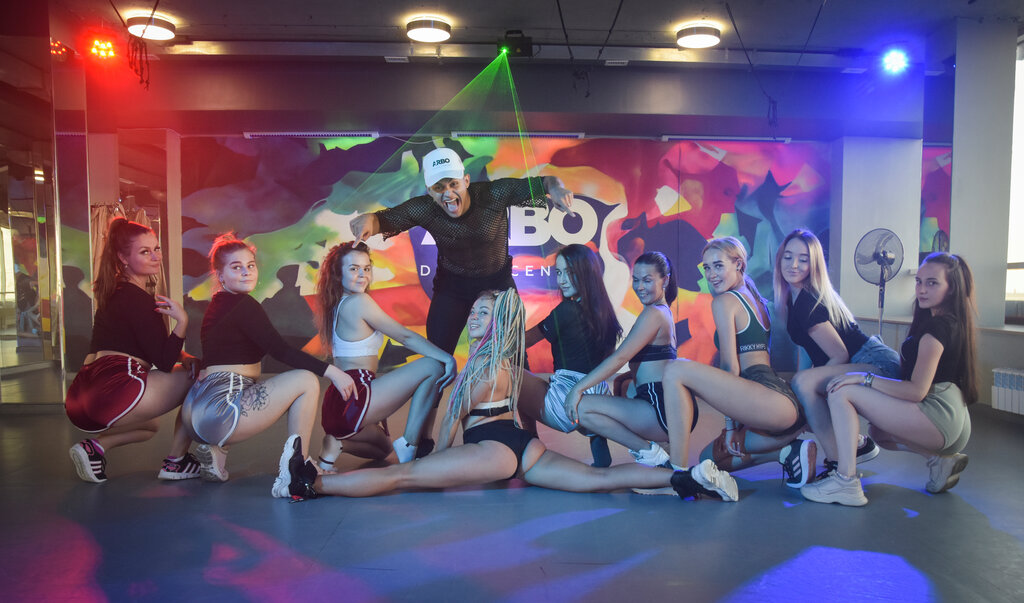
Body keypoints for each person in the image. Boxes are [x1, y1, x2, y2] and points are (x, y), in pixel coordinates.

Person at [280, 289, 738, 502]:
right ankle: (685, 477)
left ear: (497, 323)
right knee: (596, 480)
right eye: (474, 312)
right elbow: (520, 411)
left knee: (405, 476)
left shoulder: (481, 365)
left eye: (483, 314)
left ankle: (314, 483)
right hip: (523, 448)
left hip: (494, 449)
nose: (474, 318)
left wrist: (437, 462)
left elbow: (451, 421)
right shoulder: (507, 364)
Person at [348, 147, 576, 355]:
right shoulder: (424, 208)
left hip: (497, 283)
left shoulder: (493, 194)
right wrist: (367, 221)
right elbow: (381, 220)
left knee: (513, 353)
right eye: (439, 188)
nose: (447, 193)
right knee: (436, 356)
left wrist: (556, 189)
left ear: (466, 181)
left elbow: (546, 182)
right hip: (452, 288)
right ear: (429, 191)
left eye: (453, 184)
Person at [180, 233, 356, 498]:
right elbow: (279, 350)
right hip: (222, 410)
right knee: (306, 381)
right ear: (220, 274)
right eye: (236, 267)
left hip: (196, 412)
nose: (246, 272)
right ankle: (298, 468)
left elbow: (268, 343)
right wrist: (333, 372)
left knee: (267, 383)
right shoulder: (243, 305)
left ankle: (217, 451)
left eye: (250, 265)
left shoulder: (219, 304)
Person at [801, 252, 977, 506]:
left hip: (939, 415)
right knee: (879, 433)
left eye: (932, 283)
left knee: (840, 390)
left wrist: (864, 378)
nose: (921, 289)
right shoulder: (950, 322)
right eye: (919, 281)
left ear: (951, 288)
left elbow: (916, 391)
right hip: (955, 417)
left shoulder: (936, 329)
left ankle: (845, 481)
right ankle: (938, 460)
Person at [65, 217, 201, 483]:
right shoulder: (139, 300)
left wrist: (183, 356)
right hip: (114, 391)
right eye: (145, 251)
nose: (155, 256)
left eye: (156, 248)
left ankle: (94, 448)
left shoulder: (113, 293)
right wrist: (182, 322)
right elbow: (164, 362)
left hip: (81, 398)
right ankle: (176, 462)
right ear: (123, 257)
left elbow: (146, 345)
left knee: (149, 426)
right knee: (197, 376)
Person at [660, 237, 804, 473]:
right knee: (709, 459)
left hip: (767, 398)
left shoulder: (726, 301)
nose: (711, 275)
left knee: (675, 370)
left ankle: (676, 470)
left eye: (718, 266)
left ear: (738, 264)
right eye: (707, 268)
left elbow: (731, 368)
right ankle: (787, 453)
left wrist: (730, 427)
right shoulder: (756, 299)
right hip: (783, 405)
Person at [773, 229, 901, 487]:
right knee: (801, 391)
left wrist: (808, 385)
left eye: (803, 259)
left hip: (878, 364)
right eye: (788, 257)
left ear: (814, 264)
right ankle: (857, 444)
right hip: (860, 362)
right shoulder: (793, 298)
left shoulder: (808, 301)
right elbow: (807, 349)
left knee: (804, 386)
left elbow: (839, 354)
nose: (794, 265)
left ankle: (836, 464)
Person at [313, 241, 456, 469]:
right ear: (338, 274)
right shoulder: (359, 302)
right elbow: (405, 336)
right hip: (357, 395)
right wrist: (447, 357)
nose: (362, 275)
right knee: (433, 366)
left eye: (366, 268)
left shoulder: (338, 304)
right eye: (354, 269)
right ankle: (410, 444)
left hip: (336, 404)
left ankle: (337, 444)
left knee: (385, 451)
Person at [564, 251, 693, 470]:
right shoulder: (662, 312)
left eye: (647, 280)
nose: (640, 287)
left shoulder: (654, 314)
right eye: (636, 280)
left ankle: (649, 452)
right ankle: (654, 452)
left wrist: (577, 389)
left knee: (581, 407)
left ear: (665, 280)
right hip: (661, 407)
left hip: (660, 410)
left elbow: (620, 357)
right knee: (620, 386)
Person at [517, 244, 621, 467]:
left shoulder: (566, 310)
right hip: (598, 398)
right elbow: (607, 359)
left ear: (586, 273)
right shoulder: (605, 312)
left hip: (566, 402)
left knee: (513, 377)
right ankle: (600, 454)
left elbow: (525, 340)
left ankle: (528, 443)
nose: (562, 280)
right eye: (559, 272)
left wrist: (498, 334)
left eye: (569, 273)